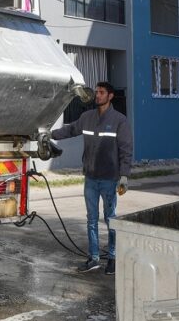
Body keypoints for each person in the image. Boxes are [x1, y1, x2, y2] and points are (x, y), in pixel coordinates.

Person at [50, 81, 133, 275]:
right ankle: (94, 258)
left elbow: (126, 150)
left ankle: (113, 257)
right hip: (91, 178)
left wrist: (124, 176)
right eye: (96, 92)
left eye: (101, 92)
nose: (97, 95)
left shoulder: (120, 121)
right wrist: (48, 134)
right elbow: (70, 130)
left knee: (110, 219)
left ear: (110, 96)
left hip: (110, 179)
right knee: (91, 220)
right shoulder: (87, 117)